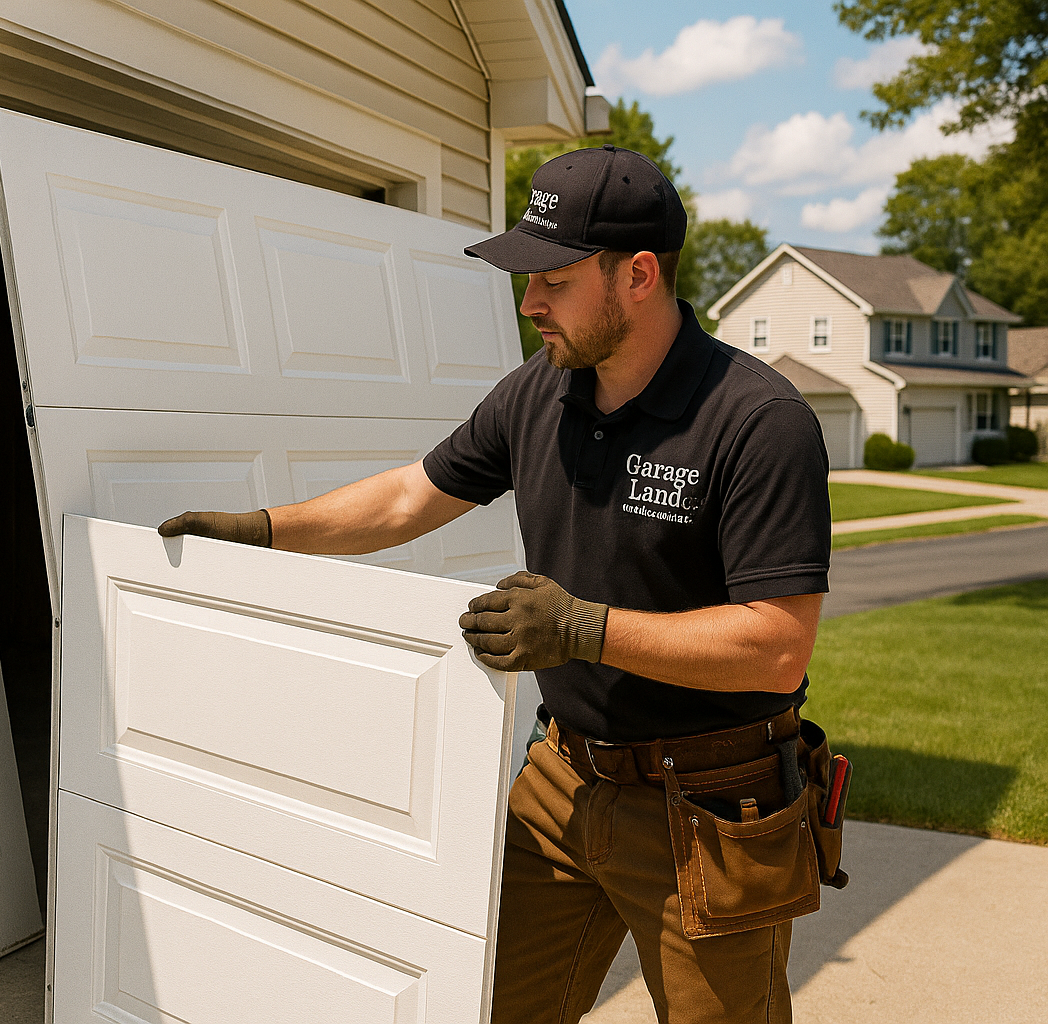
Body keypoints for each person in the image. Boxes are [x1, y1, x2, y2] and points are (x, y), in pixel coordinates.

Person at [159, 144, 841, 1024]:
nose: (529, 303)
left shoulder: (756, 421)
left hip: (708, 807)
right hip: (562, 784)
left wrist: (585, 628)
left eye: (553, 279)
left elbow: (778, 647)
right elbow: (411, 496)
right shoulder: (538, 395)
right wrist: (263, 531)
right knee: (496, 1010)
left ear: (636, 274)